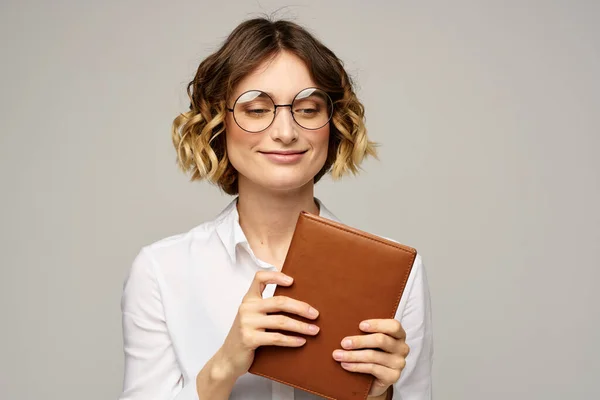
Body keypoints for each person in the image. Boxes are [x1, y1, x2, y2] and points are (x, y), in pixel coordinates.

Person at [119, 17, 433, 400]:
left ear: (333, 124)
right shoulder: (161, 271)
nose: (286, 133)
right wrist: (225, 364)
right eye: (256, 109)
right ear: (219, 124)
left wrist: (379, 395)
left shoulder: (395, 272)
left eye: (308, 108)